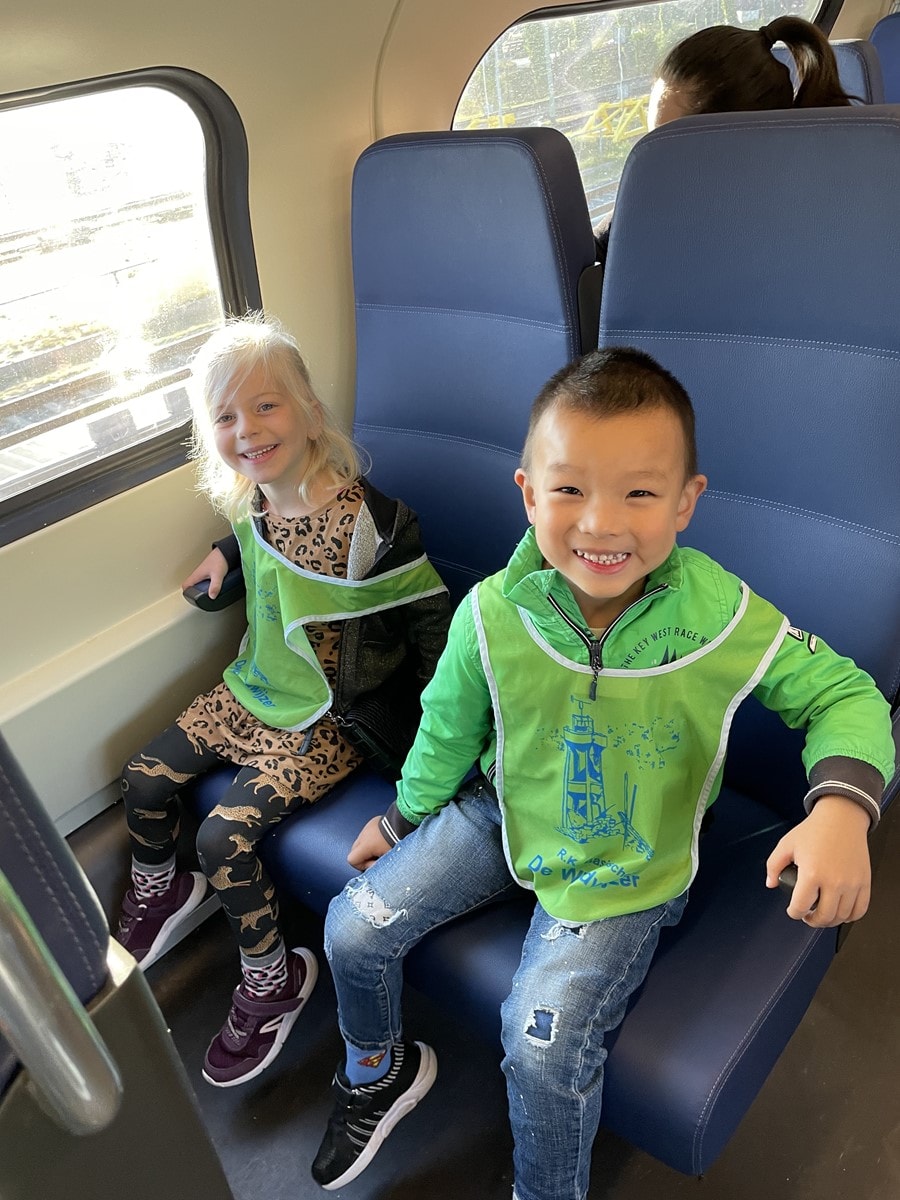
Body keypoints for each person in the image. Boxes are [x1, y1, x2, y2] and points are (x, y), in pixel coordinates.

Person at [310, 348, 894, 1197]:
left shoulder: (717, 615)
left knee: (541, 1047)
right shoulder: (493, 613)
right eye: (570, 490)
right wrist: (403, 818)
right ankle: (376, 1072)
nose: (600, 524)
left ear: (686, 501)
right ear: (529, 495)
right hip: (502, 809)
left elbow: (845, 694)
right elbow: (447, 729)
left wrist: (842, 809)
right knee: (351, 926)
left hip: (629, 851)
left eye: (640, 494)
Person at [113, 313, 450, 1088]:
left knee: (221, 838)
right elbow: (257, 534)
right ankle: (164, 892)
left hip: (325, 719)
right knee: (142, 778)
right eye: (226, 417)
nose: (248, 429)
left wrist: (444, 722)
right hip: (252, 690)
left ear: (311, 416)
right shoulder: (250, 497)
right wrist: (223, 555)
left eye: (266, 406)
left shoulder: (368, 527)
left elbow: (430, 613)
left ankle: (275, 981)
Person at [595, 17, 853, 258]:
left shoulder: (809, 224)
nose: (657, 168)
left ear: (734, 145)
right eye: (654, 142)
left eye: (670, 148)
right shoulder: (642, 216)